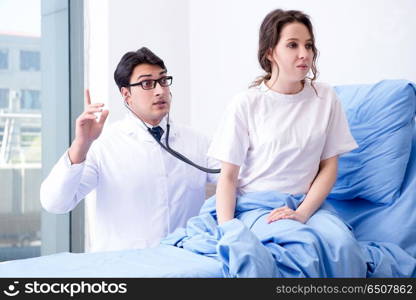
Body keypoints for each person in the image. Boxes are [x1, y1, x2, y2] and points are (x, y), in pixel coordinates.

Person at [207, 9, 366, 276]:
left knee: (344, 247)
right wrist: (229, 230)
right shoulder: (246, 103)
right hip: (256, 204)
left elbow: (329, 166)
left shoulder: (325, 97)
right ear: (270, 52)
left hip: (306, 203)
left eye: (309, 45)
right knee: (303, 246)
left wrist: (302, 213)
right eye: (292, 45)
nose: (304, 53)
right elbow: (228, 178)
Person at [40, 47, 218, 252]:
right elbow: (55, 203)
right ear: (126, 94)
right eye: (147, 83)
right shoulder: (103, 145)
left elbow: (237, 179)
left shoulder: (197, 141)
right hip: (124, 271)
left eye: (162, 80)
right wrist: (81, 144)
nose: (160, 90)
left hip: (184, 267)